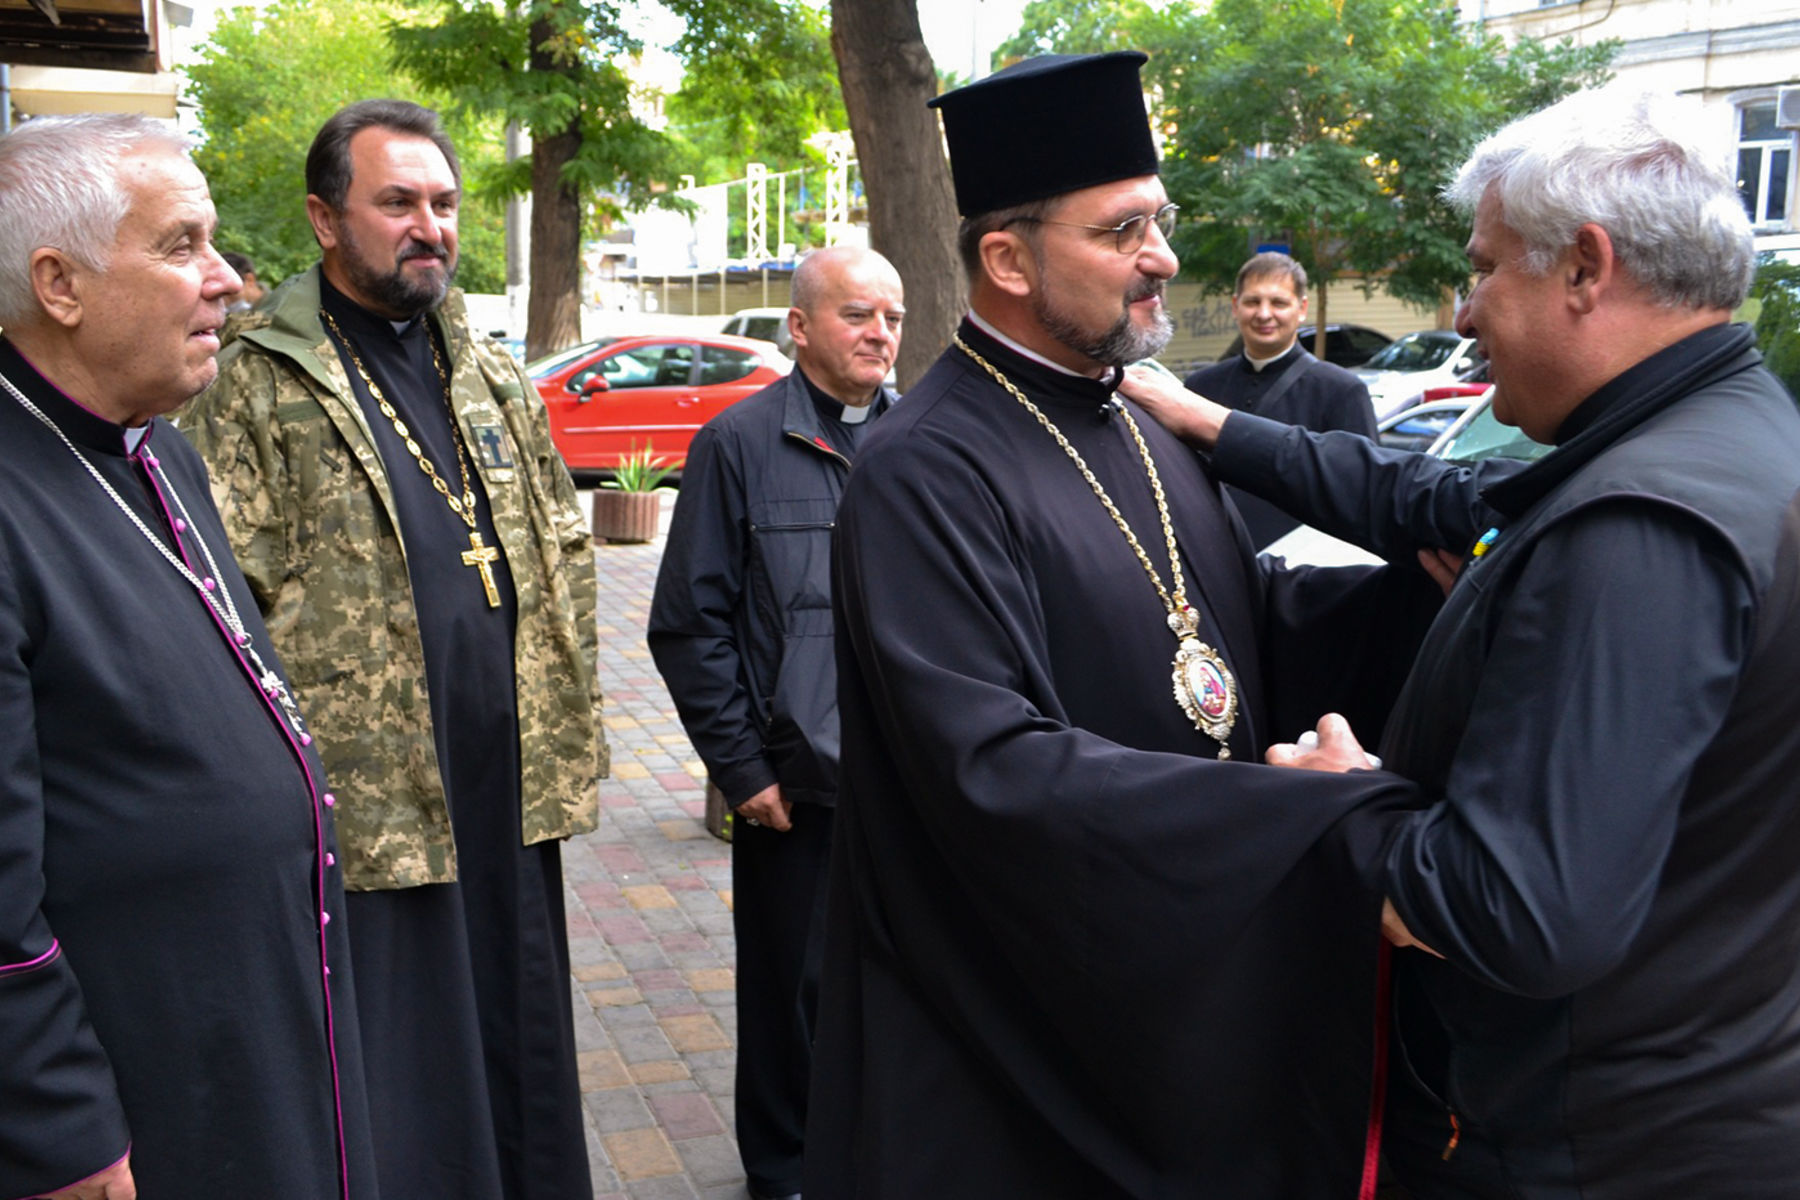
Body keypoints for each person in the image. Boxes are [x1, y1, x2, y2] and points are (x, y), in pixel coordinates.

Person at [1123, 87, 1800, 1199]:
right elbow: (1435, 496)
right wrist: (1213, 423)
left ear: (1585, 267)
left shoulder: (1638, 526)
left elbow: (1520, 911)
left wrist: (1344, 805)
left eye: (1484, 268)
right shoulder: (1721, 434)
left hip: (1598, 1146)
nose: (1467, 310)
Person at [804, 52, 1444, 1198]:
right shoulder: (922, 471)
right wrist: (1290, 815)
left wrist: (1434, 599)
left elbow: (1232, 631)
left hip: (1162, 1010)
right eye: (1123, 232)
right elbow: (989, 771)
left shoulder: (1146, 425)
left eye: (1162, 220)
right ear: (1006, 258)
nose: (1164, 259)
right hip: (1008, 1045)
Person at [180, 99, 605, 1200]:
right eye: (399, 202)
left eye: (446, 203)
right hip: (372, 803)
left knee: (524, 1050)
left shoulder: (491, 370)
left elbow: (561, 545)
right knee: (408, 1081)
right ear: (327, 220)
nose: (431, 226)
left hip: (507, 785)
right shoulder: (253, 381)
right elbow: (226, 609)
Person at [0, 113, 375, 1200]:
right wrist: (53, 1122)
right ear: (58, 284)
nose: (230, 281)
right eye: (181, 245)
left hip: (245, 1017)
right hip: (131, 1073)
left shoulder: (161, 447)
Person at [648, 245, 904, 1200]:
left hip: (909, 783)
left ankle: (878, 1148)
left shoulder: (925, 442)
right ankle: (786, 1170)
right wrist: (742, 769)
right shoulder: (737, 445)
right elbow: (689, 623)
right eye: (856, 315)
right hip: (794, 789)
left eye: (892, 316)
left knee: (901, 983)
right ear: (799, 328)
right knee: (791, 996)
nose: (880, 333)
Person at [1185, 251, 1375, 547]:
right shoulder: (1199, 387)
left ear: (1301, 309)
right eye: (1252, 301)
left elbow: (1361, 495)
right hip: (1214, 557)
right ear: (1235, 307)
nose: (1263, 314)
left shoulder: (1342, 391)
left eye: (1278, 303)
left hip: (1303, 571)